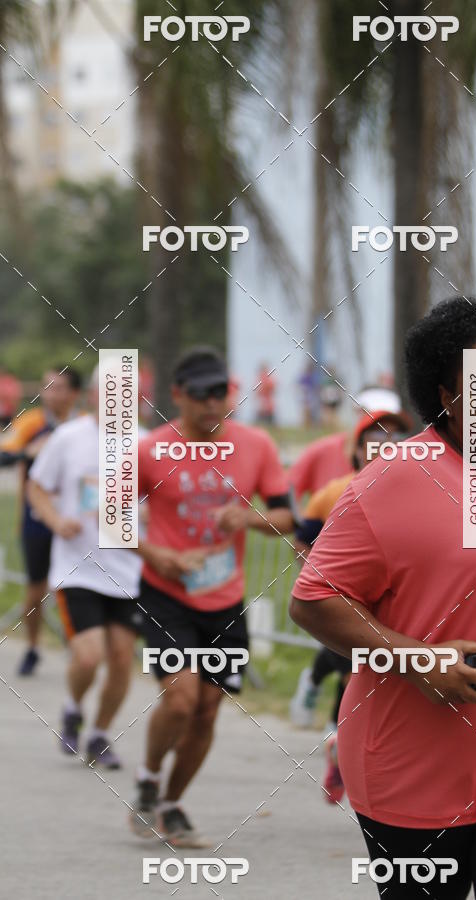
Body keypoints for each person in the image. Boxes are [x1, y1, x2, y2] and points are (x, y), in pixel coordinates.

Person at [290, 293, 476, 900]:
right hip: (415, 761)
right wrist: (415, 658)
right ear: (446, 398)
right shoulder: (401, 476)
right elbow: (314, 596)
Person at [130, 346, 294, 846]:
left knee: (207, 709)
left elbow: (288, 517)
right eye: (200, 394)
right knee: (180, 699)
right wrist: (155, 554)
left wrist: (248, 517)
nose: (211, 403)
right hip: (166, 593)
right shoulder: (151, 449)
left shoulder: (256, 445)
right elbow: (112, 519)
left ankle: (172, 804)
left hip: (224, 598)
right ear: (177, 395)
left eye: (220, 392)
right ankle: (148, 776)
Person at [290, 409, 411, 804]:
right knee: (351, 674)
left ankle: (339, 739)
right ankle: (341, 747)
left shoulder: (418, 491)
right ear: (357, 451)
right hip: (346, 608)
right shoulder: (335, 492)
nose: (386, 447)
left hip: (395, 615)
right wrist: (319, 569)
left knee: (377, 685)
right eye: (376, 440)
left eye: (396, 440)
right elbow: (301, 541)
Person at [28, 367, 142, 768]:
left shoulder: (144, 444)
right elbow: (36, 487)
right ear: (93, 395)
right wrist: (57, 520)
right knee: (90, 656)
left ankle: (99, 734)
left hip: (128, 570)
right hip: (77, 567)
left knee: (123, 659)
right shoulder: (68, 438)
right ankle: (73, 706)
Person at [0, 365, 82, 675]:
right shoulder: (30, 423)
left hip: (77, 521)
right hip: (36, 519)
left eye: (58, 388)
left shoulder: (85, 425)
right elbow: (3, 456)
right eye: (46, 387)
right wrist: (27, 453)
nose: (50, 394)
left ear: (74, 394)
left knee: (76, 586)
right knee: (36, 588)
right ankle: (33, 646)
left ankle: (78, 646)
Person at [289, 384, 406, 502]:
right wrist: (309, 518)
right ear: (358, 414)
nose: (387, 436)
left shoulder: (403, 463)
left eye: (395, 431)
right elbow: (286, 499)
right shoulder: (320, 451)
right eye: (377, 429)